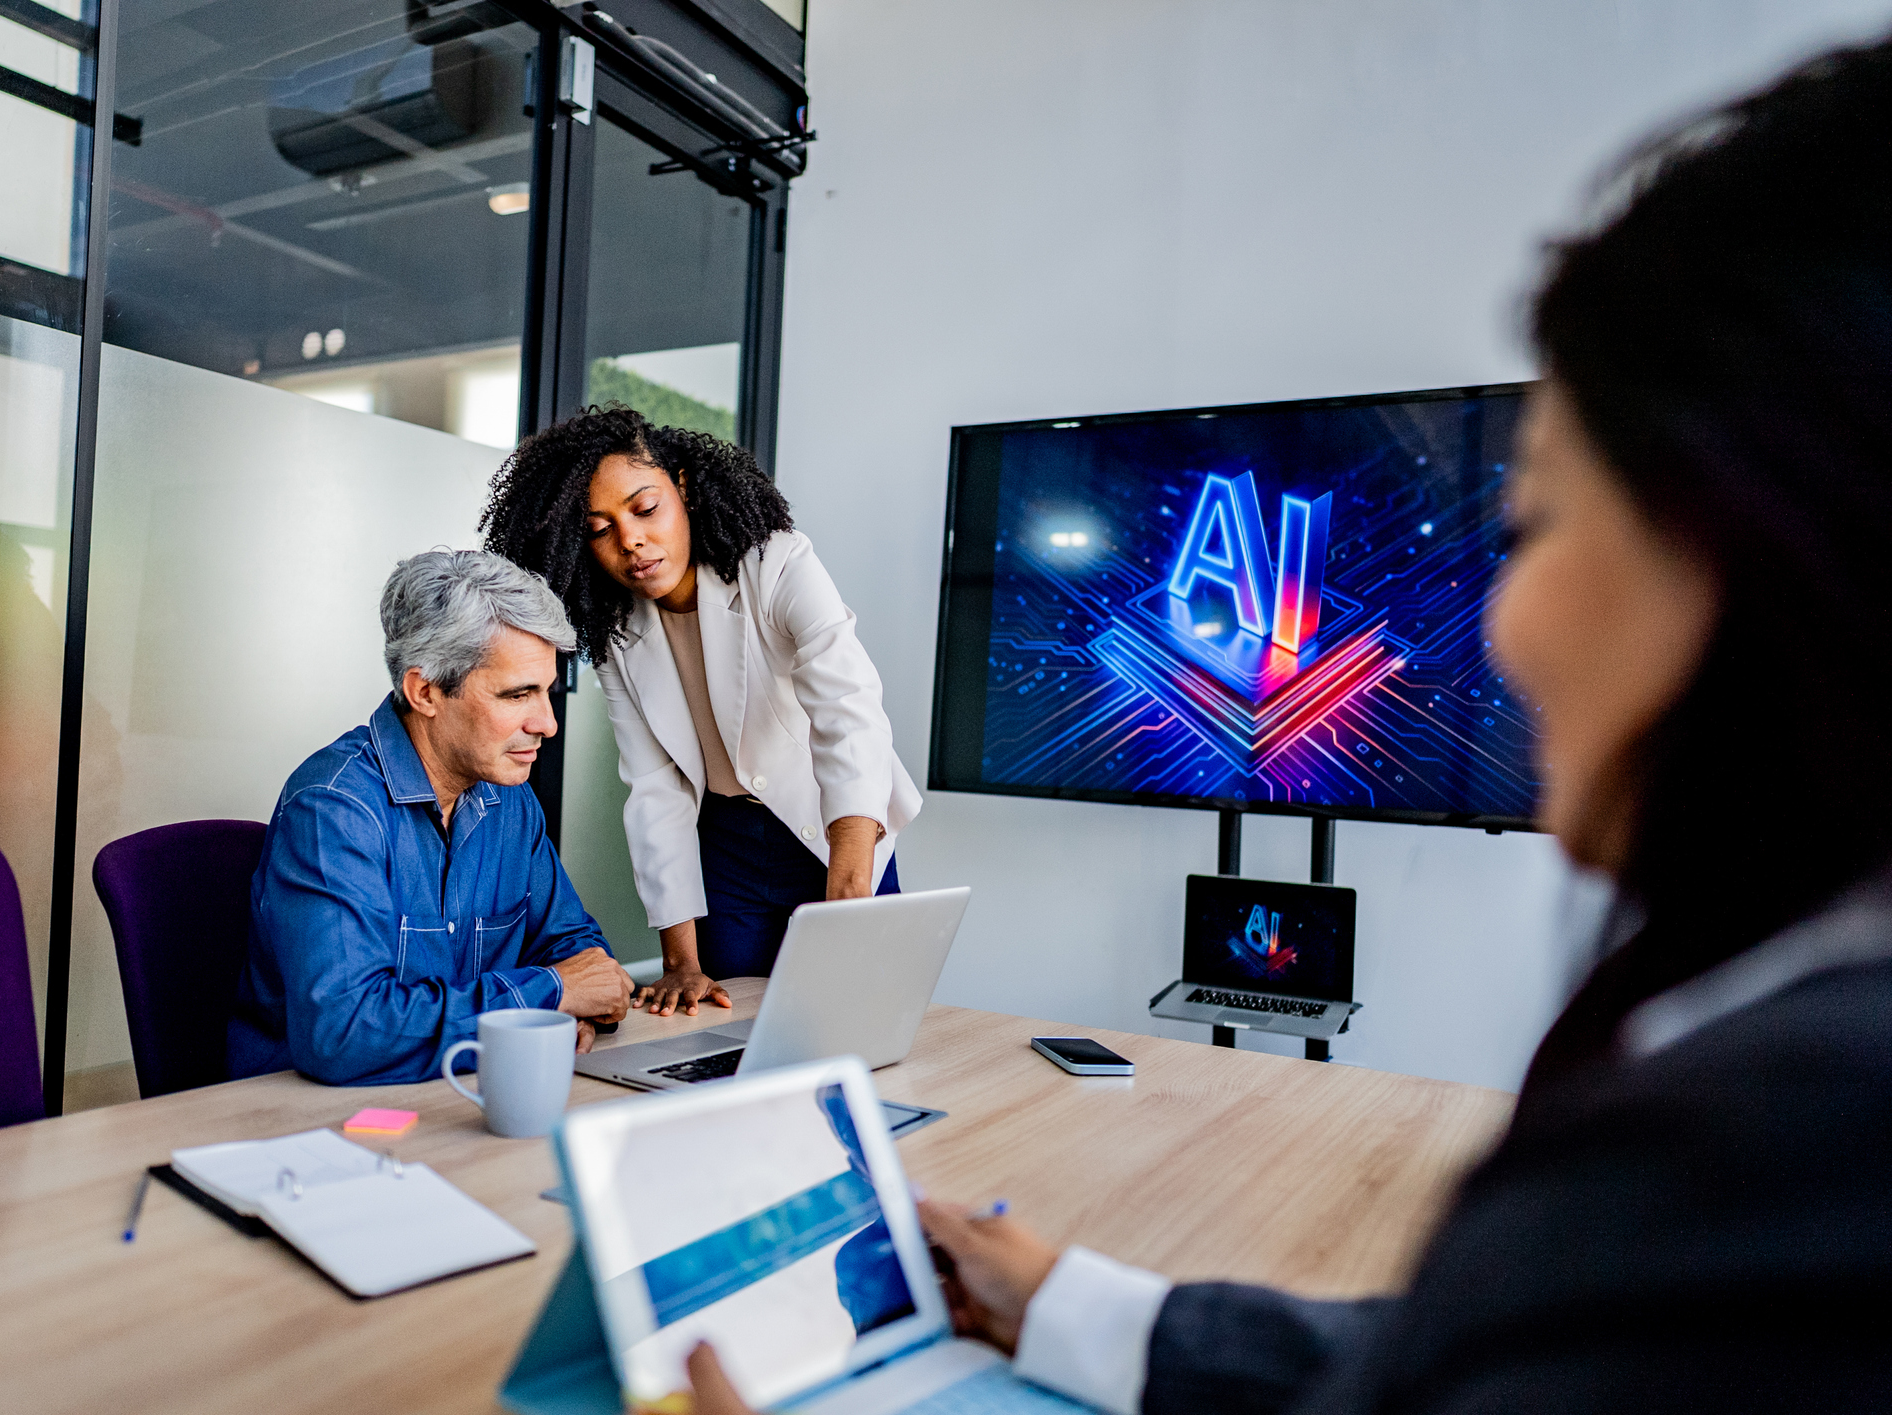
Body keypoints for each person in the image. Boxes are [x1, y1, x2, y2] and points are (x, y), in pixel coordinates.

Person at [684, 34, 1892, 1415]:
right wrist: (1077, 1302)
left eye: (1537, 522)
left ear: (1763, 529)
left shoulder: (1778, 1150)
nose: (1504, 623)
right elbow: (1448, 1363)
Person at [482, 408, 921, 1016]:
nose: (630, 541)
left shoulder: (777, 564)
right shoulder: (615, 631)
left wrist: (849, 892)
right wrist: (679, 962)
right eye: (599, 529)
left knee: (860, 1017)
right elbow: (654, 786)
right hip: (726, 850)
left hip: (834, 829)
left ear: (684, 487)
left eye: (645, 508)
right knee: (724, 1023)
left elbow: (848, 711)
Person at [230, 550, 635, 1085]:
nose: (547, 723)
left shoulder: (509, 798)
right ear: (425, 692)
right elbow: (345, 1032)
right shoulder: (332, 811)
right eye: (518, 694)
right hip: (306, 1113)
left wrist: (577, 997)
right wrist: (549, 996)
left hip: (459, 1091)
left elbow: (573, 947)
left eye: (547, 692)